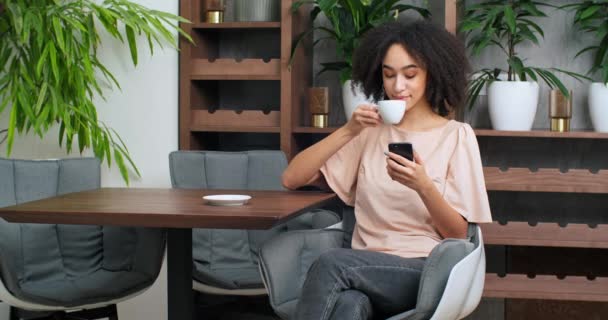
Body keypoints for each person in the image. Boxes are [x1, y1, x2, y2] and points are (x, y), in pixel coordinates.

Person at [281, 20, 493, 320]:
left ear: (432, 73)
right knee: (350, 305)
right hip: (361, 267)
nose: (397, 86)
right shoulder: (368, 132)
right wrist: (348, 130)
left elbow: (459, 234)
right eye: (389, 74)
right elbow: (292, 178)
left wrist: (423, 186)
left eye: (410, 74)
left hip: (423, 271)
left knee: (331, 265)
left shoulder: (456, 136)